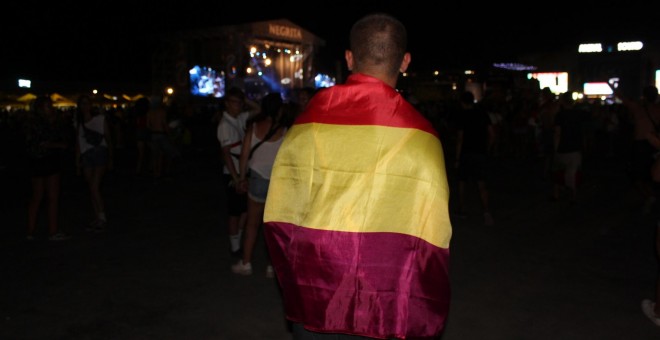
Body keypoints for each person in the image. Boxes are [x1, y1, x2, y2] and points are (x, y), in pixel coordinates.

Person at [263, 13, 452, 339]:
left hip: (316, 289)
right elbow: (432, 240)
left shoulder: (309, 124)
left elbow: (280, 215)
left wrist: (294, 280)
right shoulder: (423, 137)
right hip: (386, 301)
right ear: (405, 61)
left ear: (349, 58)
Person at [231, 93, 288, 277]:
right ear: (279, 110)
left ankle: (246, 263)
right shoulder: (284, 131)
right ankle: (271, 266)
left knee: (252, 225)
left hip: (256, 180)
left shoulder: (254, 128)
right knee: (271, 227)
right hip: (276, 184)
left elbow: (244, 156)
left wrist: (241, 178)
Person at [216, 87, 259, 257]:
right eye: (234, 102)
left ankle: (238, 241)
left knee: (245, 210)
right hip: (232, 173)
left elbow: (258, 109)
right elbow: (225, 154)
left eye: (240, 102)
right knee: (235, 211)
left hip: (242, 171)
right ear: (226, 104)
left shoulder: (238, 118)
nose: (238, 105)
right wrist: (235, 178)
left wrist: (245, 98)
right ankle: (235, 246)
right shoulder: (224, 125)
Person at [24, 95, 72, 241]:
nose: (51, 108)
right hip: (47, 160)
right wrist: (59, 145)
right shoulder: (43, 123)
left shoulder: (32, 122)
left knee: (38, 197)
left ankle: (31, 231)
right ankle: (52, 231)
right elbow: (43, 142)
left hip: (37, 161)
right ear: (41, 108)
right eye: (48, 106)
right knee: (51, 197)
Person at [454, 90, 495, 226]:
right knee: (482, 183)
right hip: (480, 152)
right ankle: (487, 211)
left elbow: (460, 138)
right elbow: (491, 133)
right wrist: (487, 148)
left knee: (462, 181)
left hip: (466, 153)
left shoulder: (462, 116)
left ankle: (462, 208)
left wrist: (457, 158)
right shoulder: (483, 114)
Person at [75, 95, 113, 232]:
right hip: (87, 155)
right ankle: (98, 217)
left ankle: (102, 217)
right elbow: (79, 143)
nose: (85, 106)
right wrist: (77, 160)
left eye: (87, 103)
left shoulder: (100, 119)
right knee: (91, 187)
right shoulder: (79, 123)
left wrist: (110, 157)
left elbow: (108, 139)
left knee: (94, 186)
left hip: (99, 153)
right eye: (82, 104)